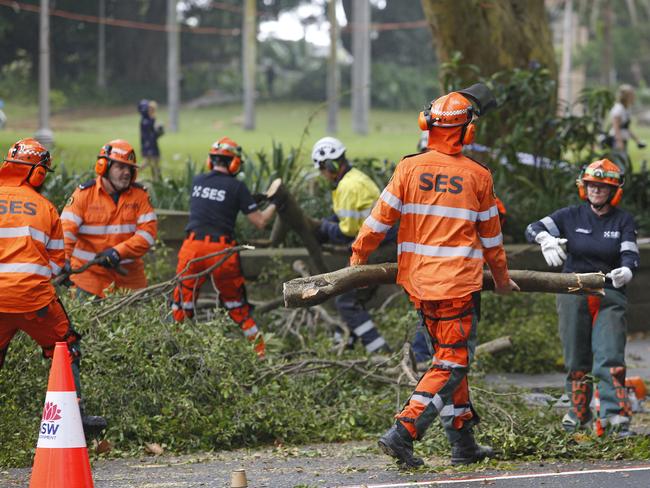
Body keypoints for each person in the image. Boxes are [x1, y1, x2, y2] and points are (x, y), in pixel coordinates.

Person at [350, 84, 519, 467]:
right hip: (458, 287)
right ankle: (404, 431)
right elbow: (492, 240)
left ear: (427, 125)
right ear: (468, 133)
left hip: (420, 287)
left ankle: (462, 443)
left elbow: (377, 223)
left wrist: (357, 261)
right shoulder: (478, 176)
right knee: (454, 363)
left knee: (446, 358)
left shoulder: (409, 168)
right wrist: (503, 280)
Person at [526, 158, 640, 438]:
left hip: (608, 292)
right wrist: (545, 240)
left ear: (614, 191)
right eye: (591, 185)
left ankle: (614, 416)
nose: (596, 191)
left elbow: (630, 253)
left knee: (609, 354)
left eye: (602, 187)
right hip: (573, 292)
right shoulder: (570, 215)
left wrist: (626, 269)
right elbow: (532, 227)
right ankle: (577, 414)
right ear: (583, 187)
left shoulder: (623, 220)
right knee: (576, 357)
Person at [0, 138, 106, 434]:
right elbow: (58, 266)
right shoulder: (45, 208)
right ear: (37, 174)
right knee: (65, 346)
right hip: (34, 301)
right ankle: (76, 418)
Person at [171, 137, 277, 358]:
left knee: (182, 303)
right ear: (234, 164)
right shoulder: (237, 187)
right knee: (236, 304)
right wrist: (276, 202)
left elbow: (213, 206)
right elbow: (260, 222)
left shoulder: (198, 180)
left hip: (191, 248)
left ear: (211, 161)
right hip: (220, 252)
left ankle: (175, 353)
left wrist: (245, 200)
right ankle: (261, 353)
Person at [311, 136, 394, 355]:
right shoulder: (355, 177)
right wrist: (329, 222)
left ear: (330, 165)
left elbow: (346, 231)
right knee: (356, 297)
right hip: (382, 242)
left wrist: (324, 228)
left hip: (377, 247)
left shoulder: (348, 186)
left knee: (345, 301)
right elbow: (345, 217)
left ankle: (379, 352)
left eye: (322, 170)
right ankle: (347, 342)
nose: (323, 175)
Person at [61, 139, 158, 298]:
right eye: (120, 167)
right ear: (103, 167)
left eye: (129, 168)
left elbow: (147, 235)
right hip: (88, 280)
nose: (126, 172)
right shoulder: (84, 195)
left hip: (130, 282)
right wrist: (62, 261)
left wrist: (118, 252)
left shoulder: (140, 196)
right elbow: (66, 230)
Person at [606, 84, 646, 157]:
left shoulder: (626, 108)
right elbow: (616, 126)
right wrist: (619, 141)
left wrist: (637, 140)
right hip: (616, 140)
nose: (634, 97)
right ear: (625, 97)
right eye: (631, 95)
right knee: (618, 163)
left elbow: (626, 127)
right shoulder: (618, 109)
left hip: (623, 139)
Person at [138, 99, 164, 182]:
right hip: (149, 146)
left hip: (152, 145)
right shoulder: (146, 122)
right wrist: (158, 131)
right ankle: (134, 172)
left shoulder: (149, 120)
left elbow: (153, 134)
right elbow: (151, 135)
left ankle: (157, 179)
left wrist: (159, 131)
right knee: (149, 162)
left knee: (155, 162)